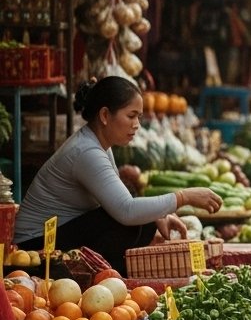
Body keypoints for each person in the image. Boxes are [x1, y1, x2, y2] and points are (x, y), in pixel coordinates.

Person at [15, 77, 222, 275]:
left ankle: (109, 276)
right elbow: (126, 210)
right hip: (34, 247)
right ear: (105, 116)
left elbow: (121, 200)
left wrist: (160, 215)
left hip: (59, 233)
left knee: (143, 218)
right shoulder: (87, 152)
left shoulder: (99, 145)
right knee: (131, 221)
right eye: (131, 116)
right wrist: (184, 197)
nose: (137, 125)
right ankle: (104, 277)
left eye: (139, 118)